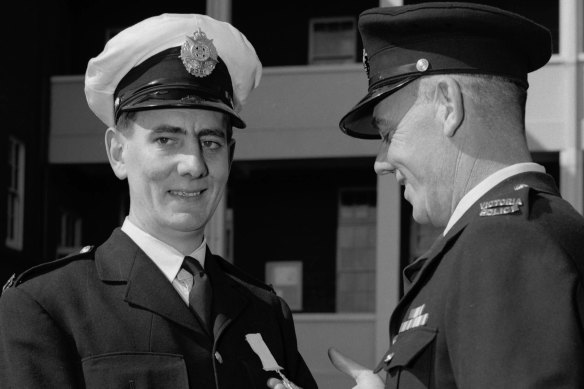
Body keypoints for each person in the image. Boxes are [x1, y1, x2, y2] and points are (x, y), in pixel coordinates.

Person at [0, 13, 317, 389]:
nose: (194, 164)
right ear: (118, 152)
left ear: (230, 158)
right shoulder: (47, 305)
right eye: (167, 139)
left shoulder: (266, 311)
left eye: (211, 143)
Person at [327, 2, 584, 389]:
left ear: (448, 105)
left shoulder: (503, 245)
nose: (381, 163)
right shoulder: (522, 232)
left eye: (387, 133)